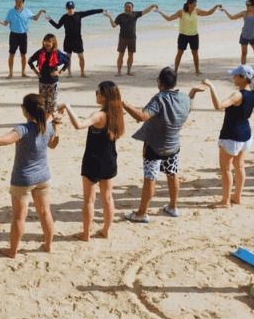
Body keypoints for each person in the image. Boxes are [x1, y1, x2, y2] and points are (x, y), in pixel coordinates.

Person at [0, 93, 60, 258]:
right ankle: (49, 246)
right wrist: (57, 127)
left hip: (23, 179)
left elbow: (1, 141)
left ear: (25, 111)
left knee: (19, 217)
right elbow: (53, 145)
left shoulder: (23, 129)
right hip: (44, 177)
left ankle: (13, 251)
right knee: (45, 212)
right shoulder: (48, 127)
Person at [122, 67, 203, 222]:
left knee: (150, 178)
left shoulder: (160, 98)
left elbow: (143, 116)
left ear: (160, 83)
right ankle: (172, 207)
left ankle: (142, 213)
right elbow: (190, 107)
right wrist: (193, 92)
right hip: (173, 145)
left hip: (154, 146)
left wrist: (125, 105)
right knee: (172, 175)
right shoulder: (184, 98)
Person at [59, 81, 125, 241]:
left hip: (92, 160)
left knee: (89, 200)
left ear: (104, 96)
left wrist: (67, 107)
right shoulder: (118, 114)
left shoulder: (99, 115)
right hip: (109, 160)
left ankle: (86, 234)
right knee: (108, 198)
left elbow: (79, 125)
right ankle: (106, 231)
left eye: (98, 92)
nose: (96, 94)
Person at [198, 65, 254, 208]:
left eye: (235, 75)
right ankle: (237, 197)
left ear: (243, 78)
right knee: (240, 167)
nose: (233, 78)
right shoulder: (252, 93)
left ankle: (225, 201)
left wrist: (211, 87)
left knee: (226, 170)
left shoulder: (238, 95)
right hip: (245, 135)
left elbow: (219, 106)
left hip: (231, 136)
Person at [156, 0, 222, 74]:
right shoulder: (181, 12)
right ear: (189, 4)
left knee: (195, 54)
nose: (195, 6)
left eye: (196, 5)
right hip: (183, 36)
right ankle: (175, 71)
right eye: (194, 4)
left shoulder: (196, 11)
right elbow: (169, 18)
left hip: (194, 36)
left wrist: (216, 6)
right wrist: (160, 12)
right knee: (179, 53)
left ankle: (197, 70)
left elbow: (209, 13)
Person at [0, 0, 46, 79]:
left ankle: (23, 73)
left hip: (23, 35)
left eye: (20, 2)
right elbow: (5, 23)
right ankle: (10, 74)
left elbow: (35, 18)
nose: (18, 3)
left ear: (23, 3)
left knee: (23, 55)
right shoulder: (11, 12)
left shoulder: (26, 11)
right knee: (11, 54)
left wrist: (40, 12)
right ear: (15, 2)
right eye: (17, 1)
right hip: (13, 35)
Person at [45, 2, 105, 77]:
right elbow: (57, 26)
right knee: (68, 58)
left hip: (78, 40)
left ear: (74, 8)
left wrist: (101, 10)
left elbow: (90, 12)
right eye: (69, 8)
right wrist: (50, 20)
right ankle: (69, 73)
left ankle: (82, 73)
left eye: (72, 8)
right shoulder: (64, 17)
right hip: (68, 40)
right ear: (66, 9)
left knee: (81, 57)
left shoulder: (78, 14)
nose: (71, 10)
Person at [105, 2, 158, 76]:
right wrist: (109, 17)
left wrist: (152, 6)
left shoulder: (135, 14)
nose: (127, 8)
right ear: (124, 8)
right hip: (122, 38)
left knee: (131, 55)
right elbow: (114, 25)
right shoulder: (120, 16)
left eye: (129, 7)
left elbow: (145, 11)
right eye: (126, 7)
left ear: (132, 8)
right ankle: (119, 71)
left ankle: (128, 71)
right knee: (121, 54)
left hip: (132, 38)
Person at [28, 33, 70, 114]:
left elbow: (67, 61)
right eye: (45, 41)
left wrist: (60, 72)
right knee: (42, 104)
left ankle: (52, 119)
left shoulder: (57, 53)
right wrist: (36, 73)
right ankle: (47, 119)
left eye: (49, 42)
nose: (47, 43)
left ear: (53, 43)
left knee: (52, 104)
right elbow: (30, 61)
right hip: (42, 82)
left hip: (53, 83)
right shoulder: (40, 52)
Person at [221, 0, 254, 64]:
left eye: (248, 5)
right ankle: (243, 69)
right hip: (244, 36)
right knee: (244, 54)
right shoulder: (244, 13)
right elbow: (232, 17)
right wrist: (225, 11)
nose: (247, 6)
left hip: (253, 36)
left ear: (253, 6)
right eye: (246, 5)